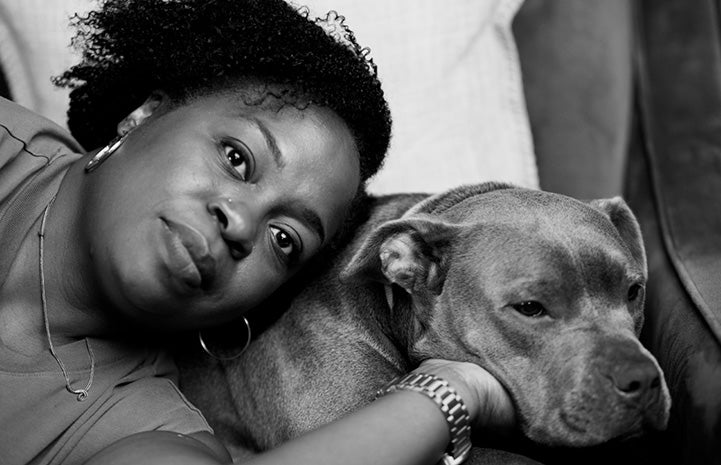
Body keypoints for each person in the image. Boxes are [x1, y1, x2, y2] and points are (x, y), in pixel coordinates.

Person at [0, 0, 515, 464]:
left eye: (284, 239)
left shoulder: (140, 428)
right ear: (144, 115)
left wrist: (454, 389)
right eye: (237, 158)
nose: (242, 225)